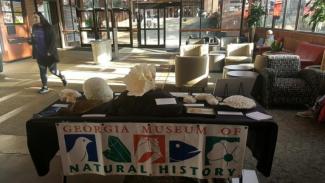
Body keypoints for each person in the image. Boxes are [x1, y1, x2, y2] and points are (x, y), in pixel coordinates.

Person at [30, 12, 67, 94]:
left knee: (53, 71)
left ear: (41, 17)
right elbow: (33, 39)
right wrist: (30, 41)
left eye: (36, 17)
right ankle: (45, 87)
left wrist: (50, 51)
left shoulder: (48, 27)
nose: (34, 19)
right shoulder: (34, 27)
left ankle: (62, 77)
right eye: (34, 18)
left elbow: (53, 41)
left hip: (49, 53)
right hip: (39, 53)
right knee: (42, 71)